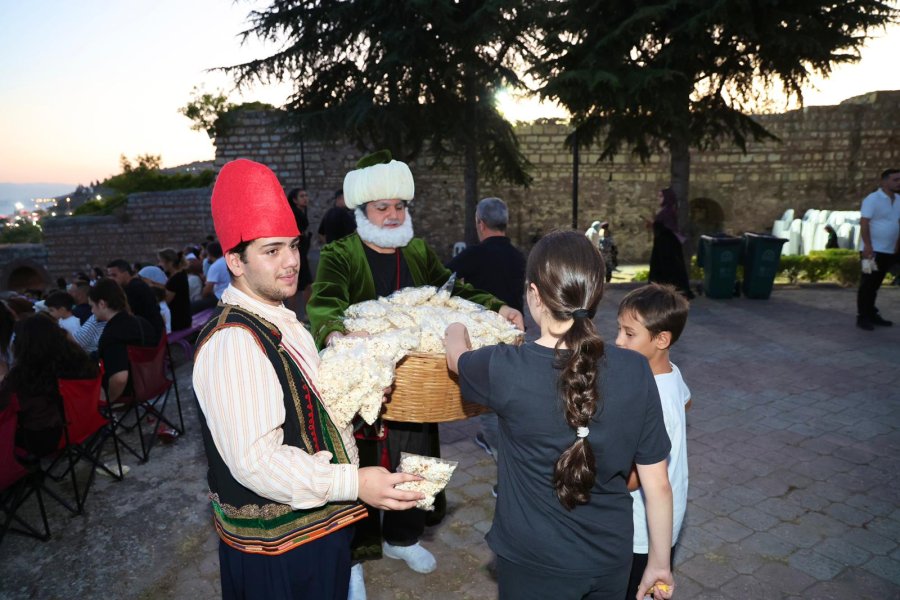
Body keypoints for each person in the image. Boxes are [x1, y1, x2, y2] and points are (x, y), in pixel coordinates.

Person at [193, 158, 423, 600]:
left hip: (313, 528)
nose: (291, 262)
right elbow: (258, 461)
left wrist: (358, 389)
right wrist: (354, 483)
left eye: (294, 247)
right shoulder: (234, 343)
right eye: (272, 250)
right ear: (234, 261)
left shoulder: (281, 317)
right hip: (279, 550)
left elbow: (306, 402)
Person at [308, 150, 524, 595]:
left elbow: (454, 292)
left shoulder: (419, 251)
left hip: (419, 386)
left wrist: (496, 306)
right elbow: (324, 303)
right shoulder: (340, 255)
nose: (392, 216)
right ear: (362, 212)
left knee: (419, 459)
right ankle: (355, 558)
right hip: (367, 383)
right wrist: (335, 336)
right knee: (363, 469)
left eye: (399, 207)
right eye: (382, 207)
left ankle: (402, 538)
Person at [444, 230, 674, 600]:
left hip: (532, 562)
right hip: (610, 559)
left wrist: (454, 326)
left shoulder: (503, 368)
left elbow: (456, 358)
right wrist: (659, 564)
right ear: (597, 291)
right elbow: (658, 485)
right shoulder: (635, 369)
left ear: (533, 295)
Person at [615, 284, 691, 600]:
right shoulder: (669, 372)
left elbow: (632, 481)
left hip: (642, 533)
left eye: (629, 334)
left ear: (661, 340)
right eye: (618, 329)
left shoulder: (653, 400)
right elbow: (686, 400)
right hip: (664, 523)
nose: (618, 340)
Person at [446, 197, 526, 493]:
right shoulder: (519, 256)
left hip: (487, 344)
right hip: (514, 339)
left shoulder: (474, 255)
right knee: (504, 405)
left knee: (494, 411)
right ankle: (487, 439)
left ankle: (509, 483)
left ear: (480, 224)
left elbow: (443, 280)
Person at [0, 313, 99, 457]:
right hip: (84, 423)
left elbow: (3, 404)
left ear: (24, 344)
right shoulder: (78, 360)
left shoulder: (23, 376)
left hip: (45, 439)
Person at [89, 279, 157, 403]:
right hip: (153, 381)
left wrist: (108, 400)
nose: (92, 311)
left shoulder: (112, 335)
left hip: (131, 390)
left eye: (92, 306)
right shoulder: (141, 322)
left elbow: (120, 379)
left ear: (102, 304)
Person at [856, 168, 900, 330]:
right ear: (884, 181)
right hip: (871, 251)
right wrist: (868, 246)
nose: (898, 183)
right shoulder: (872, 199)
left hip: (889, 251)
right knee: (867, 283)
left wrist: (897, 244)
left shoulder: (899, 200)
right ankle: (862, 317)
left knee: (875, 285)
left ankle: (872, 313)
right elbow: (864, 222)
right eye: (895, 180)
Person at [647, 188, 694, 299]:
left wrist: (654, 224)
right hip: (663, 245)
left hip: (667, 247)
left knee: (668, 269)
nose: (659, 199)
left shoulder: (667, 212)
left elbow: (666, 229)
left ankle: (667, 291)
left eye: (661, 196)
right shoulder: (666, 211)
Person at [105, 259, 164, 344]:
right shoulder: (134, 285)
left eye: (114, 275)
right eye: (109, 276)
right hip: (150, 333)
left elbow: (124, 316)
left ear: (126, 273)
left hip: (149, 338)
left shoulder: (133, 288)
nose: (111, 279)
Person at [286, 188, 314, 318]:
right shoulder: (295, 214)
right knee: (303, 286)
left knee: (301, 286)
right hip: (298, 253)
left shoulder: (297, 213)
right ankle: (304, 315)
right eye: (302, 196)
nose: (305, 198)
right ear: (294, 200)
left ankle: (298, 315)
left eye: (306, 195)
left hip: (299, 252)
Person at [158, 248, 192, 332]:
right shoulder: (180, 273)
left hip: (178, 321)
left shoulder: (176, 279)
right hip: (184, 317)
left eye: (161, 261)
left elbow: (166, 301)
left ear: (170, 263)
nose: (160, 264)